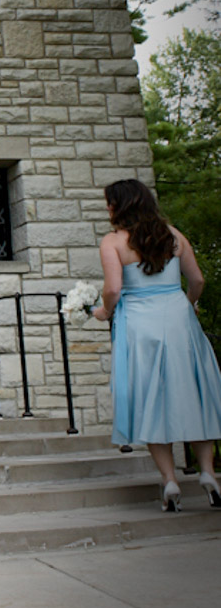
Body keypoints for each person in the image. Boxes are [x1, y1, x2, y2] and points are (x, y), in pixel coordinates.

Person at [93, 178, 221, 511]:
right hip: (178, 321)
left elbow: (113, 290)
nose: (107, 208)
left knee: (150, 398)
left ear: (120, 205)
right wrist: (189, 303)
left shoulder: (113, 242)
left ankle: (169, 481)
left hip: (140, 325)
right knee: (193, 391)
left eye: (109, 202)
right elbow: (197, 280)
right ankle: (207, 473)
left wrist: (104, 312)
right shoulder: (174, 235)